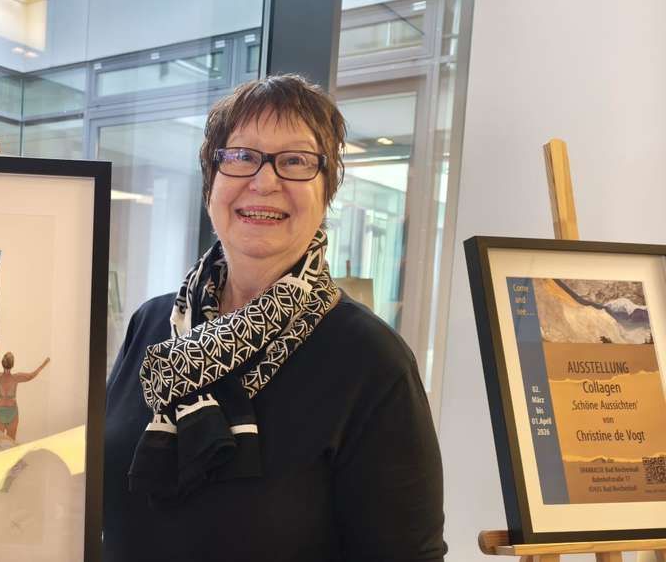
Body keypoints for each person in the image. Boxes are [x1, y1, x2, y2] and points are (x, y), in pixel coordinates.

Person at [103, 75, 447, 561]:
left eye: (296, 161)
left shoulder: (370, 361)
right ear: (212, 181)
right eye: (241, 156)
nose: (264, 182)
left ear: (326, 192)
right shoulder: (153, 325)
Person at [0, 352, 50, 440]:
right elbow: (32, 375)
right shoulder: (16, 377)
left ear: (2, 363)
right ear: (12, 364)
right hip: (12, 411)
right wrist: (44, 363)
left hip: (0, 412)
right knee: (10, 441)